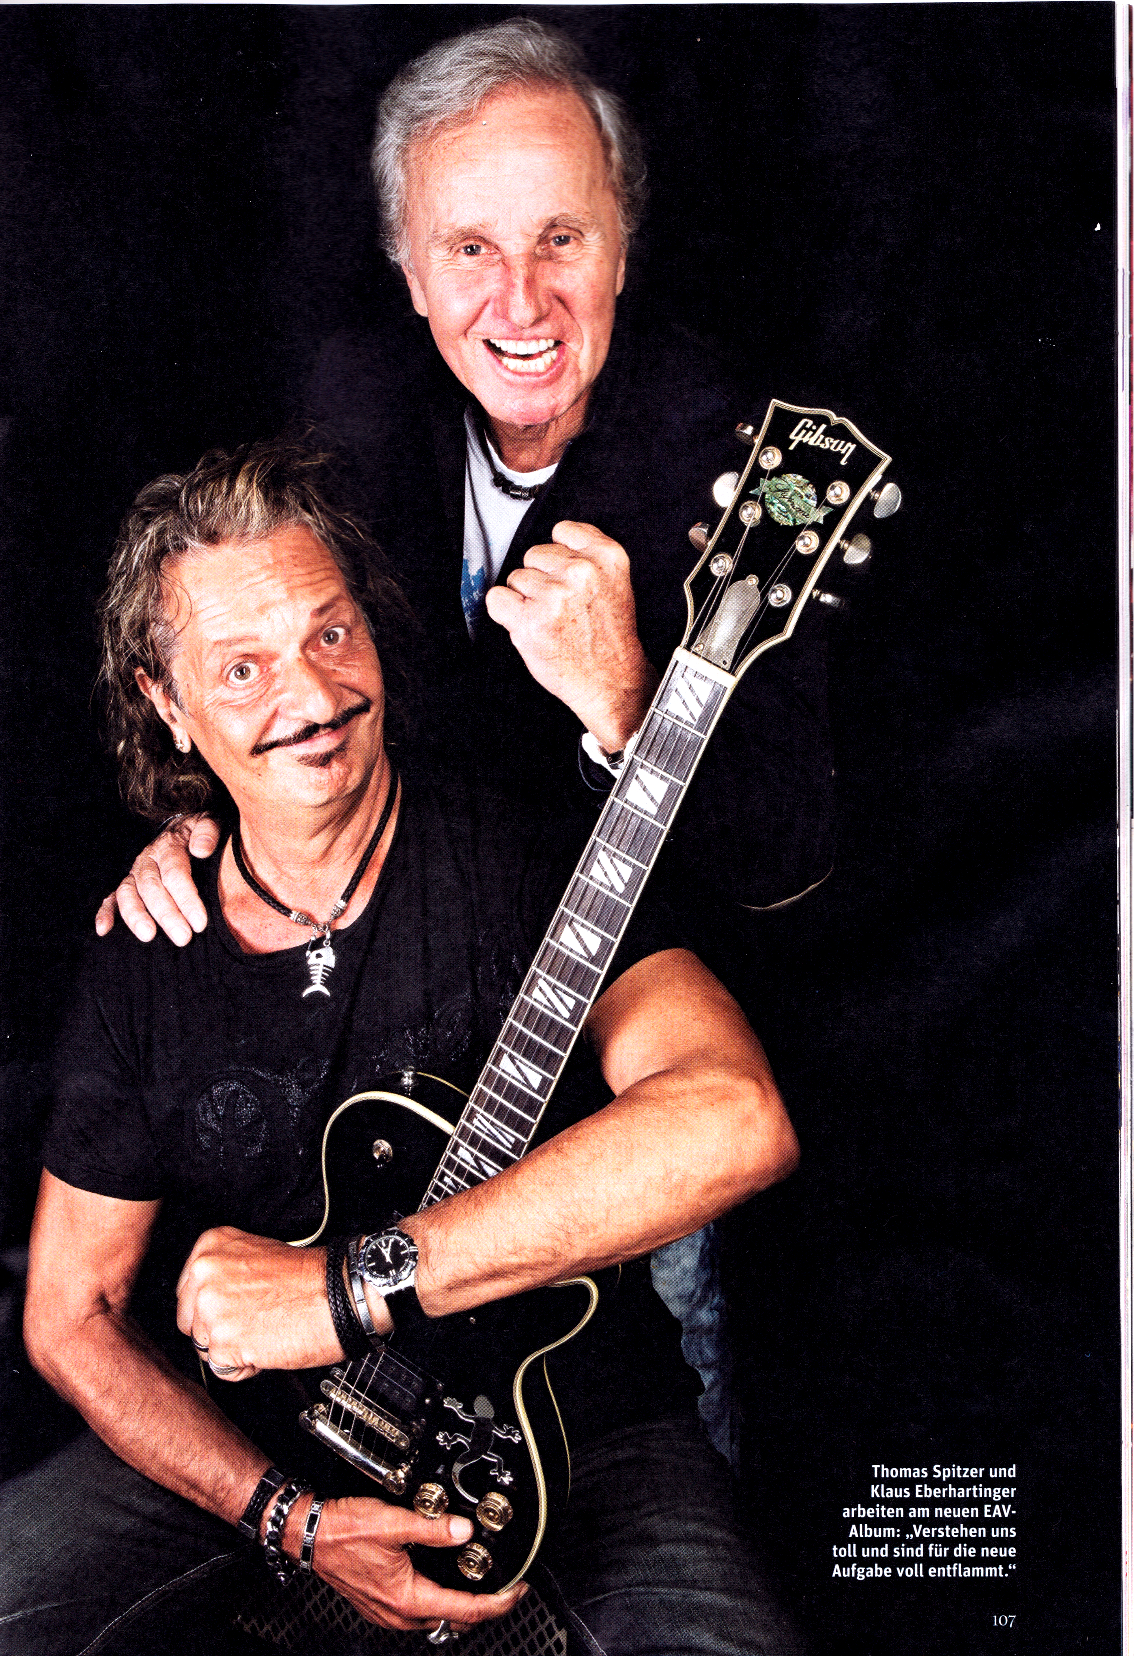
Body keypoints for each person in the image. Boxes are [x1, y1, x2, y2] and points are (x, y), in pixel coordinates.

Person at [92, 17, 837, 1464]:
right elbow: (272, 656)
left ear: (623, 243)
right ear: (408, 267)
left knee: (642, 1442)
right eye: (471, 249)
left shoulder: (734, 457)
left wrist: (629, 702)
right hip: (387, 1066)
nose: (522, 300)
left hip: (610, 1070)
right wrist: (206, 817)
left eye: (563, 238)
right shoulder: (356, 411)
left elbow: (785, 859)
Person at [1, 442, 804, 1655]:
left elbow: (735, 1116)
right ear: (167, 704)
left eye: (330, 633)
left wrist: (347, 1288)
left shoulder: (526, 849)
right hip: (263, 1446)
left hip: (586, 1429)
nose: (311, 694)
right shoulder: (150, 947)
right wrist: (286, 1517)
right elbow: (74, 1312)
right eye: (242, 667)